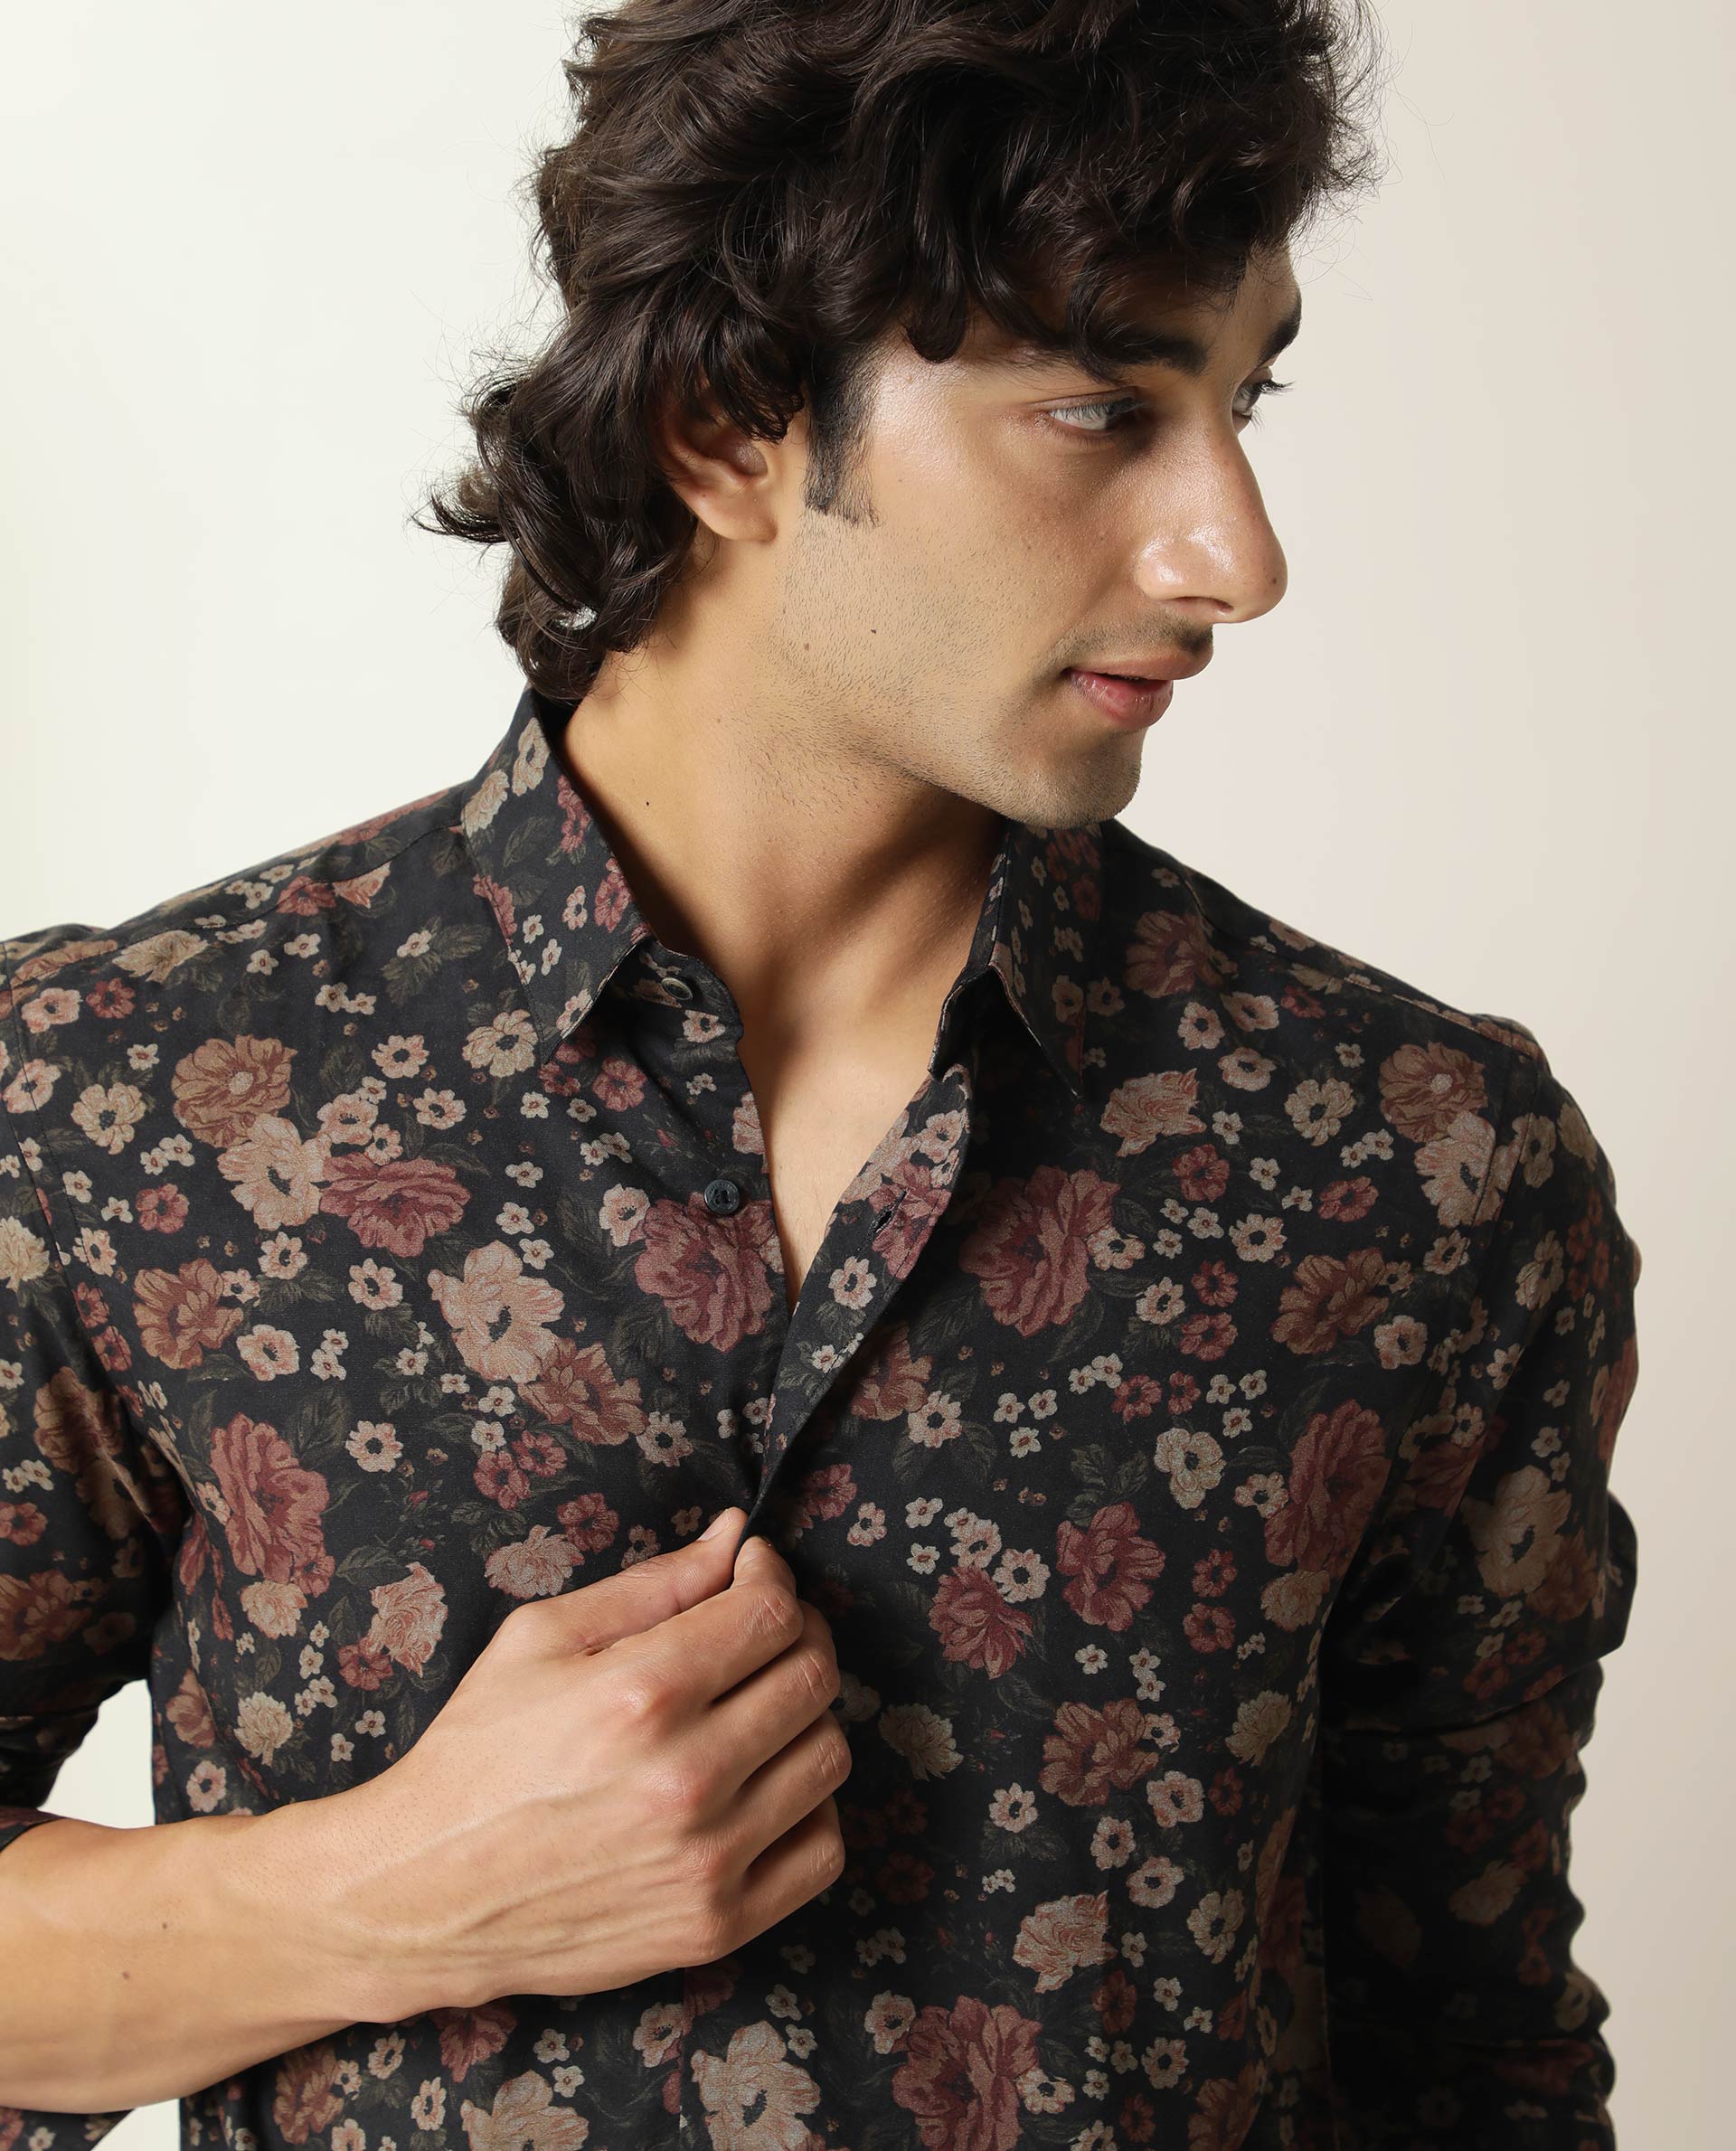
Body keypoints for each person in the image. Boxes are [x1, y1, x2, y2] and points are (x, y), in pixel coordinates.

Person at [0, 2, 1641, 2146]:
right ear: (725, 424)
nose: (1236, 557)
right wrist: (374, 1899)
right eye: (1104, 406)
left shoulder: (1415, 1165)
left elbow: (1477, 2056)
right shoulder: (128, 1096)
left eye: (1242, 404)